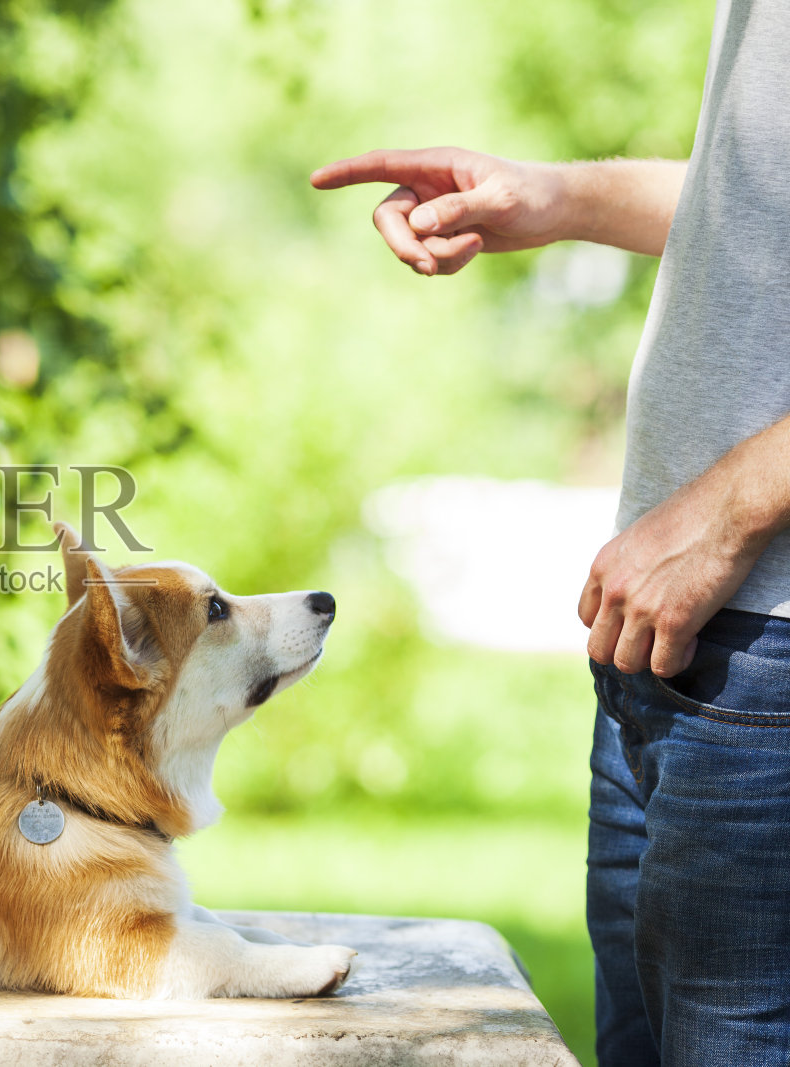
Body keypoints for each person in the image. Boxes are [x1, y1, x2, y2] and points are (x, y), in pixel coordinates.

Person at [309, 3, 790, 1064]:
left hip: (763, 645)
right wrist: (561, 197)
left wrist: (727, 511)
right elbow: (761, 201)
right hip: (676, 632)